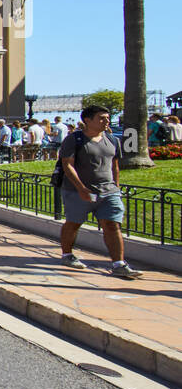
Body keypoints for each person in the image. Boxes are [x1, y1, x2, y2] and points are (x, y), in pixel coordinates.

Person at [56, 105, 143, 278]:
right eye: (101, 118)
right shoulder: (74, 139)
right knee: (74, 223)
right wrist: (81, 188)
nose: (106, 121)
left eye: (107, 118)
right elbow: (67, 164)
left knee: (112, 225)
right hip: (77, 191)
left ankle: (118, 263)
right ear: (87, 120)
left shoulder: (112, 140)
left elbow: (114, 165)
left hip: (108, 191)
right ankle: (67, 255)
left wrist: (115, 187)